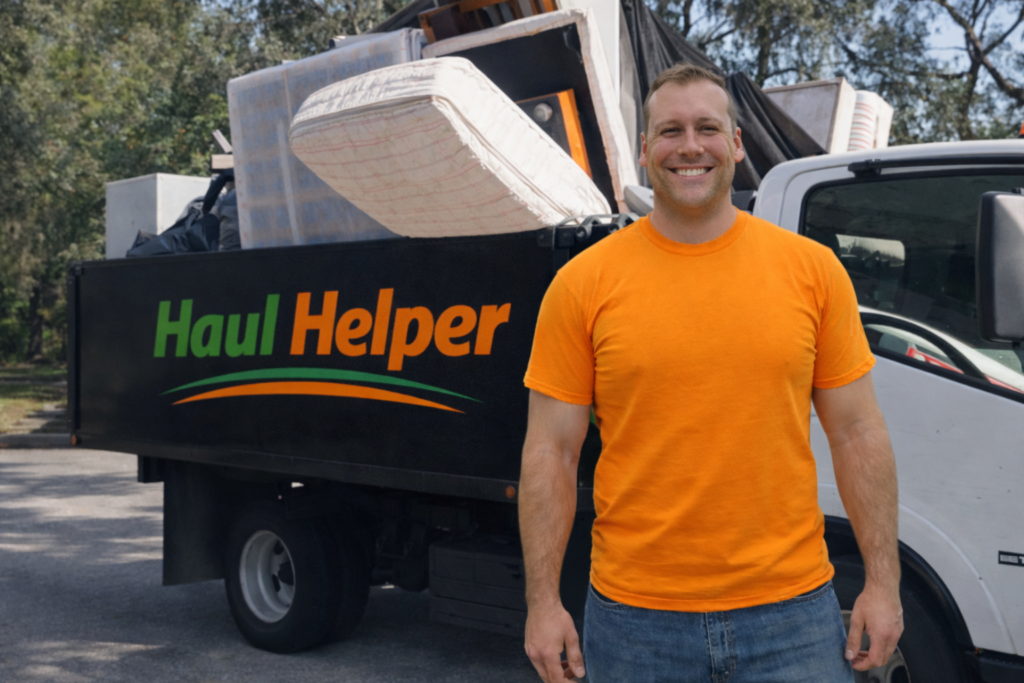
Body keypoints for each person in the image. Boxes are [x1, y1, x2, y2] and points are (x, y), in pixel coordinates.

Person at [518, 63, 903, 683]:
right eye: (670, 131)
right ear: (644, 150)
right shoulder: (582, 284)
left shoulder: (813, 272)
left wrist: (883, 583)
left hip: (792, 617)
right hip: (635, 622)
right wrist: (542, 603)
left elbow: (858, 433)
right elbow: (550, 452)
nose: (690, 146)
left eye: (707, 128)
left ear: (736, 144)